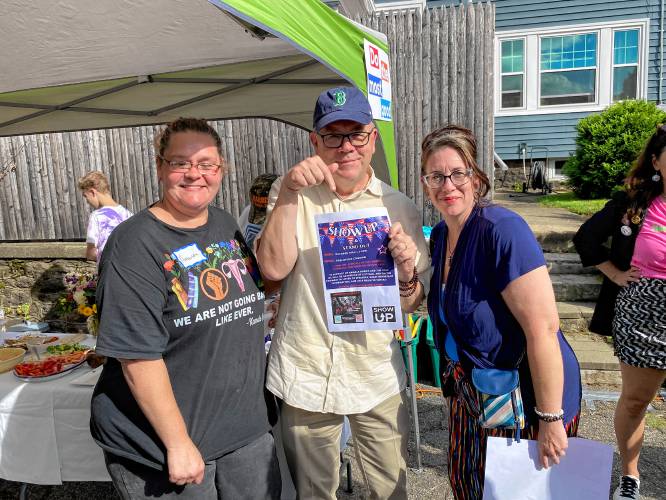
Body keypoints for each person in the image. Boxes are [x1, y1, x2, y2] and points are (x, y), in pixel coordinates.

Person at [90, 118, 281, 499]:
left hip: (245, 432)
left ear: (221, 169)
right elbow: (137, 356)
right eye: (181, 163)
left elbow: (256, 288)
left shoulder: (225, 223)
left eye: (207, 164)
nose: (195, 174)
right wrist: (177, 443)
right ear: (161, 168)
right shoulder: (134, 245)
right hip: (169, 446)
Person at [255, 86, 430, 499]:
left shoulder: (398, 205)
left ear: (372, 139)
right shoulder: (289, 191)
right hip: (306, 371)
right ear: (315, 141)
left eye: (356, 134)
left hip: (374, 372)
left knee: (391, 488)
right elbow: (272, 270)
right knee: (314, 492)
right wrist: (290, 196)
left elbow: (411, 301)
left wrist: (405, 273)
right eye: (333, 135)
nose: (345, 146)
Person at [422, 125, 581, 500]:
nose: (448, 185)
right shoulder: (441, 236)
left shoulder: (502, 231)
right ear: (426, 183)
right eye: (437, 176)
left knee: (516, 491)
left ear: (476, 178)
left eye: (458, 173)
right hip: (474, 389)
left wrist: (550, 418)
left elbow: (542, 330)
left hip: (526, 396)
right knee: (467, 481)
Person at [574, 125, 666, 500]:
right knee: (634, 401)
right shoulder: (634, 205)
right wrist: (614, 272)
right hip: (642, 314)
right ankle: (630, 477)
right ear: (657, 161)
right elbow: (586, 238)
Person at [77, 171, 133, 263]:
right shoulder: (128, 214)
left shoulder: (96, 216)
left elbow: (91, 253)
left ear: (92, 192)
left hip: (109, 272)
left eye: (85, 196)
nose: (87, 201)